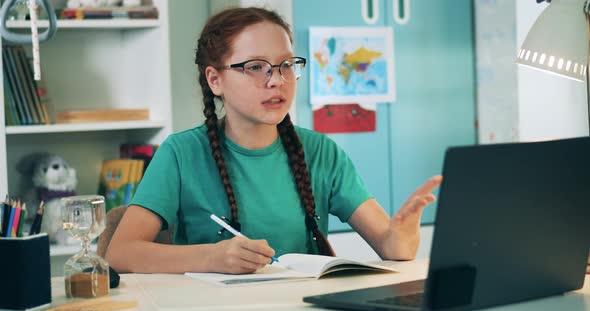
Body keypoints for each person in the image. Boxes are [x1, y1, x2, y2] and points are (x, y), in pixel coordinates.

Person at [105, 7, 442, 274]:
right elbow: (120, 253)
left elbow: (391, 247)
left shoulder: (321, 152)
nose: (276, 81)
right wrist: (211, 257)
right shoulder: (181, 154)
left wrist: (400, 237)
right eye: (256, 67)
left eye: (285, 65)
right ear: (215, 79)